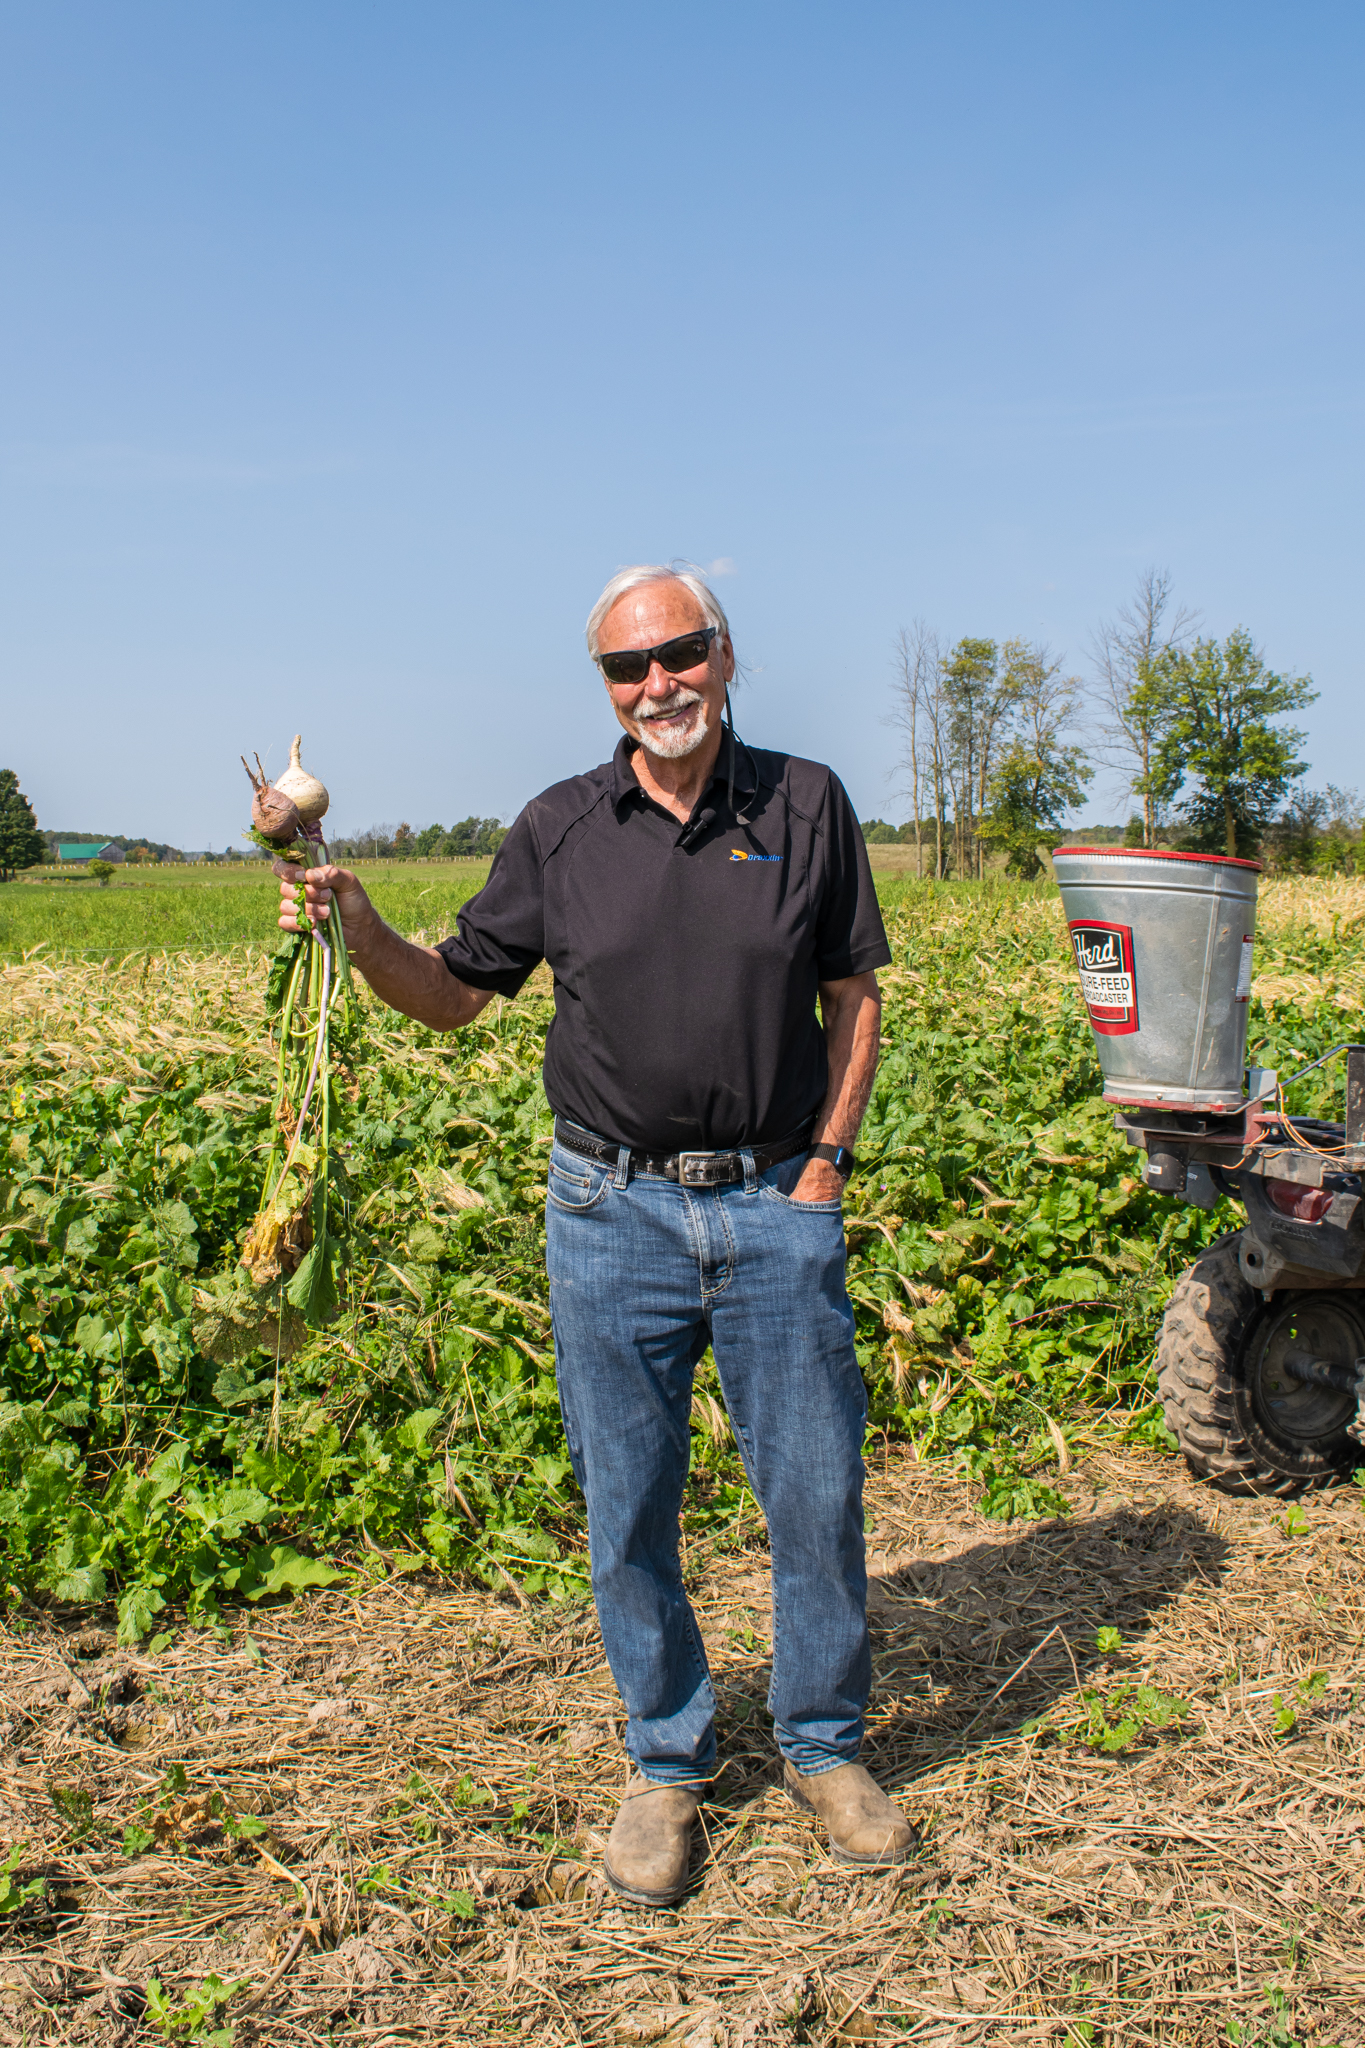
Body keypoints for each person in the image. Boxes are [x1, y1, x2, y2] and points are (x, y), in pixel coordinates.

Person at [277, 564, 915, 1904]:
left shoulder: (804, 804)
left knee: (813, 1493)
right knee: (626, 1505)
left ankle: (820, 1743)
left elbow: (852, 993)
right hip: (606, 1210)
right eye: (627, 669)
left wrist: (828, 1168)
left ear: (723, 655)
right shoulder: (559, 828)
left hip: (772, 1195)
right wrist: (359, 925)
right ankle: (667, 1759)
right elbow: (455, 997)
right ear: (607, 689)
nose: (656, 685)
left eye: (676, 654)